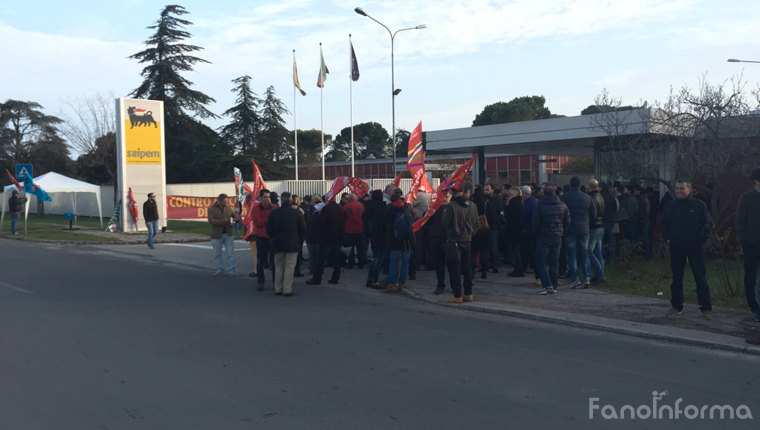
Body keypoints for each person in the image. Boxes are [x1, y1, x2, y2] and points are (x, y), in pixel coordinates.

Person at [660, 179, 713, 320]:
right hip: (677, 246)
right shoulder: (671, 205)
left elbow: (708, 223)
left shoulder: (698, 205)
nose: (679, 191)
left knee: (700, 277)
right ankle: (676, 306)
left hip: (695, 246)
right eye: (677, 188)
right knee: (677, 277)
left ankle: (706, 308)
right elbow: (664, 223)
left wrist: (700, 239)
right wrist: (668, 238)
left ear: (689, 189)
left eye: (682, 188)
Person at [442, 187, 480, 303]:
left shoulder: (451, 206)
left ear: (454, 194)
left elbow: (444, 222)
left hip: (454, 240)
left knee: (454, 267)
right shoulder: (473, 206)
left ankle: (457, 295)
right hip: (468, 239)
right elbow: (477, 223)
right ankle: (468, 293)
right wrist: (470, 234)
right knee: (467, 266)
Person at [266, 192, 307, 297]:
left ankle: (278, 288)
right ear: (290, 201)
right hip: (292, 243)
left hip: (277, 243)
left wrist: (273, 238)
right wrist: (299, 241)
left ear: (282, 200)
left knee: (279, 266)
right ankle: (287, 289)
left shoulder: (274, 213)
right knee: (290, 266)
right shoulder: (297, 213)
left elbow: (269, 230)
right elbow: (303, 230)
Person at [533, 185, 570, 295]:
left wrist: (535, 234)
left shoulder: (540, 205)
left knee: (541, 261)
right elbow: (567, 221)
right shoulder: (563, 205)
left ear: (544, 193)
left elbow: (535, 223)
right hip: (558, 235)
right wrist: (562, 231)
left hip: (544, 235)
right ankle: (553, 286)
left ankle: (546, 285)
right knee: (555, 261)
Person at [560, 176, 595, 289]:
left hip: (570, 229)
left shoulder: (564, 197)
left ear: (570, 185)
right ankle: (587, 278)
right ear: (580, 185)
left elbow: (561, 214)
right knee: (584, 253)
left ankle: (575, 279)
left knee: (571, 255)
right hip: (584, 229)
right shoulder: (588, 198)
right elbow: (593, 214)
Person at [736, 168, 760, 322]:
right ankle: (754, 307)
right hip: (752, 243)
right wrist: (744, 241)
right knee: (750, 275)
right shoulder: (746, 198)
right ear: (756, 181)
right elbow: (740, 221)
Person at [308, 197, 347, 285]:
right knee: (337, 259)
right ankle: (335, 278)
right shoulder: (340, 208)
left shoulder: (326, 209)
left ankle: (317, 278)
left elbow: (321, 223)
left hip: (327, 238)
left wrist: (317, 215)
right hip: (338, 237)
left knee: (322, 258)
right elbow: (345, 221)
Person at [382, 194, 415, 293]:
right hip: (406, 241)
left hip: (394, 240)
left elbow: (385, 225)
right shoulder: (407, 208)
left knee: (393, 263)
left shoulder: (389, 210)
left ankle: (392, 283)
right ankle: (402, 283)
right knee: (405, 263)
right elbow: (413, 221)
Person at [207, 193, 240, 277]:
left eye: (226, 202)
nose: (225, 204)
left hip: (228, 233)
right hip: (217, 234)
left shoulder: (228, 208)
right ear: (218, 201)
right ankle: (219, 269)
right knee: (217, 254)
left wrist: (236, 219)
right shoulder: (211, 209)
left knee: (230, 254)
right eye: (223, 202)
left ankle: (232, 270)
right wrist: (222, 221)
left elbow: (234, 216)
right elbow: (211, 221)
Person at [252, 189, 279, 291]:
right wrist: (269, 219)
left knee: (274, 262)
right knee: (260, 262)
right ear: (261, 198)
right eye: (265, 197)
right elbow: (258, 222)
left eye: (268, 197)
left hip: (272, 238)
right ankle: (261, 281)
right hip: (261, 237)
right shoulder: (256, 209)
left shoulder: (275, 208)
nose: (267, 199)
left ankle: (275, 282)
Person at [429, 191, 452, 294]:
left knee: (452, 265)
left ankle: (453, 285)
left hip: (449, 241)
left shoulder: (453, 209)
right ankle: (440, 285)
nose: (445, 199)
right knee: (439, 265)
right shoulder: (435, 209)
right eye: (443, 197)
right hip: (436, 240)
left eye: (447, 197)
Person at [364, 190, 387, 289]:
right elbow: (382, 222)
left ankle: (370, 279)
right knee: (378, 258)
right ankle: (374, 280)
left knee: (375, 257)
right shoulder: (381, 207)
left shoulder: (367, 206)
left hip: (371, 234)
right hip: (380, 235)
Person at [587, 179, 606, 284]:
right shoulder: (601, 196)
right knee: (598, 252)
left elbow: (591, 214)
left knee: (589, 251)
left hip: (594, 227)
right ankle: (600, 273)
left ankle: (600, 273)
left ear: (589, 187)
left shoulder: (591, 198)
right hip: (601, 225)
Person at [471, 186, 491, 279]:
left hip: (474, 230)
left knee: (473, 252)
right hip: (485, 230)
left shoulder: (471, 204)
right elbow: (492, 216)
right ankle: (484, 271)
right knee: (484, 251)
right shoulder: (486, 203)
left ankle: (471, 271)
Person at [504, 186, 524, 277]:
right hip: (518, 228)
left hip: (513, 229)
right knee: (516, 250)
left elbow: (507, 215)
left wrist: (507, 204)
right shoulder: (520, 202)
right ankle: (518, 268)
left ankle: (518, 269)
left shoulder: (513, 203)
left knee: (515, 250)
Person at [483, 183, 504, 273]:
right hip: (484, 226)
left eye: (488, 190)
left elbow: (501, 213)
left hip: (493, 226)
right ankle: (486, 264)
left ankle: (495, 264)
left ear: (492, 190)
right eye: (485, 190)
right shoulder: (482, 200)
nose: (486, 192)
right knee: (485, 247)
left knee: (494, 246)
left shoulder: (497, 201)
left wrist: (495, 220)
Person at [343, 193, 366, 269]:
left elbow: (344, 218)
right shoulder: (361, 206)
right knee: (360, 248)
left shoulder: (346, 206)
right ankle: (361, 264)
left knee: (350, 248)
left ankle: (350, 264)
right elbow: (363, 216)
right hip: (359, 229)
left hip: (349, 230)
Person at [600, 182, 619, 264]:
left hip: (602, 221)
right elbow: (615, 209)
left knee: (601, 240)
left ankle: (602, 257)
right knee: (610, 240)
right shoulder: (612, 197)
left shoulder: (599, 196)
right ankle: (610, 257)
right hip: (611, 220)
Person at [520, 185, 537, 275]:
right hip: (526, 227)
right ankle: (526, 265)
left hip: (528, 228)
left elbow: (523, 212)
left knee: (529, 249)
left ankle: (532, 266)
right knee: (525, 248)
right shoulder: (528, 201)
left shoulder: (530, 202)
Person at [305, 195, 323, 281]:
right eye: (315, 202)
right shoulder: (308, 211)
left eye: (318, 202)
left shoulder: (322, 211)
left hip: (319, 236)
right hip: (311, 236)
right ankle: (312, 272)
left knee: (319, 256)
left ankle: (319, 273)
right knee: (312, 256)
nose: (316, 204)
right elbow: (305, 223)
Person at [634, 186, 651, 256]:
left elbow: (644, 210)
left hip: (643, 220)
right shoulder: (644, 199)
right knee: (644, 236)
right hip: (644, 219)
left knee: (644, 236)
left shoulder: (642, 199)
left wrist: (639, 216)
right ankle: (646, 252)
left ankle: (647, 253)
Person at [291, 194, 305, 278]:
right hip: (298, 234)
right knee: (298, 252)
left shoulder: (288, 209)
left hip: (290, 234)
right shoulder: (300, 210)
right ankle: (297, 270)